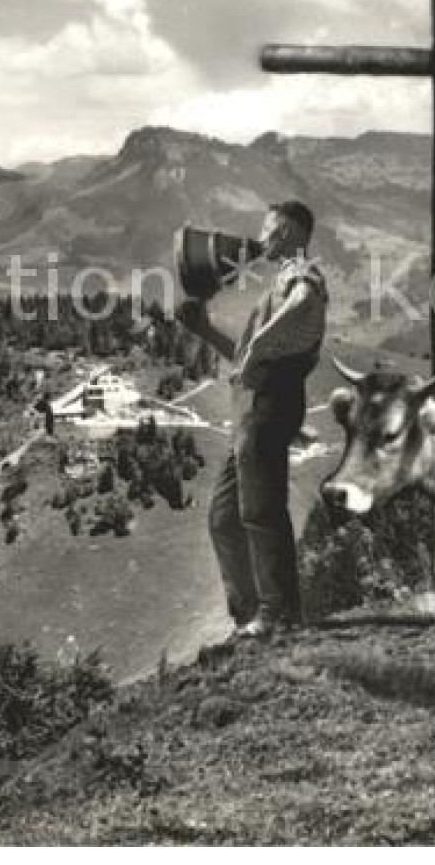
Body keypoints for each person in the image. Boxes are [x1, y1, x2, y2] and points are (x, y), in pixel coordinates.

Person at [177, 200, 327, 641]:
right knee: (225, 518)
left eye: (272, 230)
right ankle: (247, 617)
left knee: (260, 511)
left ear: (295, 234)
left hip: (268, 406)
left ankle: (278, 615)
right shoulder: (277, 283)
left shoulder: (303, 276)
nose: (263, 239)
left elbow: (302, 302)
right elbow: (244, 359)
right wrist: (203, 330)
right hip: (251, 412)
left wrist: (259, 345)